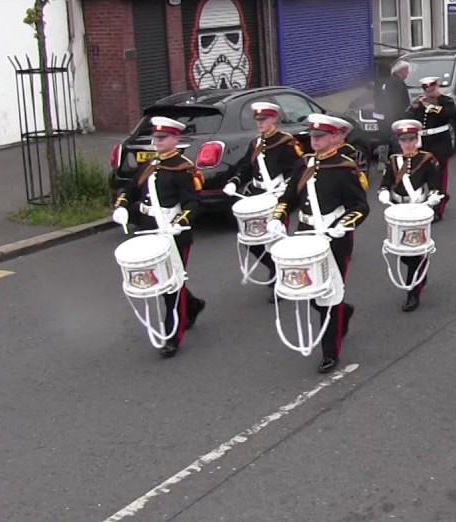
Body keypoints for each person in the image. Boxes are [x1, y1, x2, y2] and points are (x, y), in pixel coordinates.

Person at [271, 114, 370, 373]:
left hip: (333, 238)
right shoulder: (303, 163)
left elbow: (360, 206)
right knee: (310, 293)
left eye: (320, 136)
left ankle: (330, 352)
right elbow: (289, 196)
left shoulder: (345, 167)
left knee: (329, 295)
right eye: (312, 136)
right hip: (306, 235)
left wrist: (343, 226)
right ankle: (344, 312)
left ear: (335, 137)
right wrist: (277, 216)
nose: (314, 140)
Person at [111, 116, 207, 357]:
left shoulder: (183, 168)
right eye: (156, 137)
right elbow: (131, 189)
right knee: (160, 282)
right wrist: (122, 205)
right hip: (148, 229)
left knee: (171, 286)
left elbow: (193, 202)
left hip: (173, 233)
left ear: (175, 139)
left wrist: (181, 222)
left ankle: (172, 338)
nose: (157, 141)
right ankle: (193, 305)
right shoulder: (150, 164)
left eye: (162, 138)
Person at [222, 102, 305, 291]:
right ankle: (274, 267)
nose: (259, 123)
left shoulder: (286, 142)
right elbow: (246, 166)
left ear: (274, 118)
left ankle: (284, 277)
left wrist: (286, 188)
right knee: (252, 240)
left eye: (264, 119)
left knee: (276, 239)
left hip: (277, 195)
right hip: (258, 195)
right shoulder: (257, 143)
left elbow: (297, 170)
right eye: (258, 120)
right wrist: (234, 181)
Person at [377, 119, 444, 312]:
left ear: (417, 140)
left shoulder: (427, 159)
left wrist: (433, 198)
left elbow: (435, 185)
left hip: (417, 210)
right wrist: (383, 191)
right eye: (403, 140)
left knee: (413, 252)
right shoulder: (394, 160)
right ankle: (420, 270)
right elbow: (386, 181)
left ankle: (412, 293)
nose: (407, 144)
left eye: (411, 140)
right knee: (401, 251)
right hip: (398, 210)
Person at [404, 76, 456, 220]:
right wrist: (414, 108)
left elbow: (450, 114)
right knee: (422, 175)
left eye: (432, 90)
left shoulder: (446, 101)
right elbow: (410, 119)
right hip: (424, 143)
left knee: (439, 177)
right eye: (427, 90)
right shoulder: (421, 102)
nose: (429, 93)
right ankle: (421, 204)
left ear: (437, 88)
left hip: (440, 143)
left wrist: (432, 107)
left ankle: (438, 209)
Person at [376, 60, 412, 125]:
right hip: (395, 118)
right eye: (407, 70)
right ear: (402, 70)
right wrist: (401, 116)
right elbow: (397, 101)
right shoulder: (396, 83)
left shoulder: (394, 81)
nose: (408, 72)